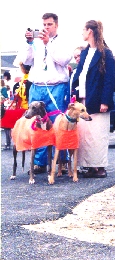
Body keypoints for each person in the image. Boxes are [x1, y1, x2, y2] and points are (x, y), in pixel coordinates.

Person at [20, 12, 72, 174]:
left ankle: (61, 160)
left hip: (56, 87)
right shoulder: (37, 42)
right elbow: (26, 61)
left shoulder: (62, 41)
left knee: (57, 122)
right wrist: (29, 43)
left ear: (56, 25)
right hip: (37, 86)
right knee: (37, 124)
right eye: (44, 25)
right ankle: (39, 162)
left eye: (49, 24)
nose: (46, 27)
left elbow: (64, 60)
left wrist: (48, 43)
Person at [71, 20, 115, 178]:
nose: (82, 33)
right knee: (85, 135)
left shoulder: (106, 53)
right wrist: (73, 92)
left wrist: (105, 101)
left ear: (90, 31)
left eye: (83, 29)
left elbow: (109, 79)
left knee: (98, 135)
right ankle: (89, 167)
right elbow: (79, 74)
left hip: (98, 100)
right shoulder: (84, 53)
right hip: (83, 101)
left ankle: (100, 167)